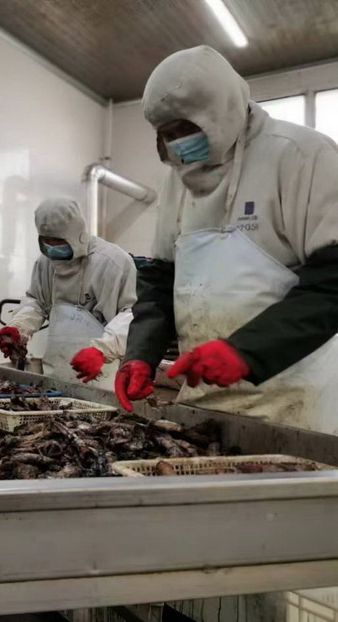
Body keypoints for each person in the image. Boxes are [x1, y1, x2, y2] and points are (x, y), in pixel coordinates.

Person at [116, 45, 338, 435]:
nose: (177, 143)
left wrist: (246, 351)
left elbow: (332, 283)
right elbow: (160, 285)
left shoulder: (303, 156)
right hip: (204, 402)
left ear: (220, 111)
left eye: (185, 128)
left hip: (294, 405)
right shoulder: (176, 181)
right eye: (167, 134)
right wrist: (140, 354)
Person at [0, 197, 137, 387]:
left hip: (102, 374)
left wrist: (102, 351)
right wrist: (18, 328)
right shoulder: (45, 263)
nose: (52, 246)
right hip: (56, 373)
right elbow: (37, 302)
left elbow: (132, 314)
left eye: (58, 240)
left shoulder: (112, 262)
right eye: (46, 240)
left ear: (77, 234)